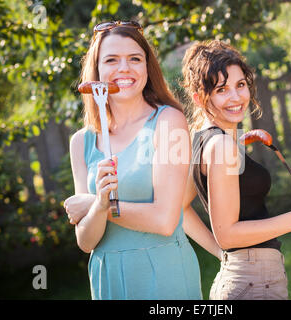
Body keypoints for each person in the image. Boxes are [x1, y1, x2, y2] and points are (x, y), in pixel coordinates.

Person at [65, 21, 216, 300]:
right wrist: (97, 207)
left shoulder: (168, 122)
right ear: (96, 71)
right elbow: (86, 242)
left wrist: (99, 205)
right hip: (106, 275)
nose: (124, 68)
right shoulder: (81, 142)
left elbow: (165, 221)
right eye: (111, 60)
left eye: (135, 59)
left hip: (162, 272)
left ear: (147, 67)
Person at [181, 40, 291, 300]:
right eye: (222, 89)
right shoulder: (221, 146)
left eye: (240, 85)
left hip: (241, 276)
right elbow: (226, 234)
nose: (236, 97)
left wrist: (222, 255)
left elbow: (180, 209)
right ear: (199, 98)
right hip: (254, 284)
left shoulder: (204, 141)